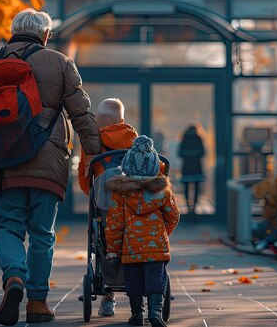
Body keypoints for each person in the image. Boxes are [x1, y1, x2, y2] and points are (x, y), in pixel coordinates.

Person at [0, 8, 101, 326]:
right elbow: (82, 113)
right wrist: (93, 154)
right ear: (45, 35)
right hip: (48, 162)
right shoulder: (60, 62)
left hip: (4, 160)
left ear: (13, 31)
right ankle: (37, 303)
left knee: (7, 226)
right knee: (41, 234)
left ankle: (14, 276)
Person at [105, 136, 180, 327]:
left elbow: (115, 223)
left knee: (134, 281)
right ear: (155, 166)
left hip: (131, 247)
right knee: (156, 279)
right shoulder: (162, 190)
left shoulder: (121, 192)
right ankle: (155, 312)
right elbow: (173, 216)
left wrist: (113, 249)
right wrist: (163, 233)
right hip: (156, 247)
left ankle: (137, 313)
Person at [78, 98, 138, 317]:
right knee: (134, 242)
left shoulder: (93, 145)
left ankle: (107, 298)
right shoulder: (134, 139)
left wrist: (96, 196)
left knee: (103, 244)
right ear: (122, 119)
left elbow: (85, 181)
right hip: (133, 211)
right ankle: (138, 298)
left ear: (97, 122)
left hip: (104, 210)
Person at [178, 124, 206, 214]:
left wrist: (188, 155)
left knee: (186, 187)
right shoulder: (199, 138)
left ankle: (188, 206)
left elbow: (180, 153)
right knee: (196, 187)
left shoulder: (184, 139)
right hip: (197, 167)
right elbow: (203, 153)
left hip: (186, 167)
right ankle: (194, 207)